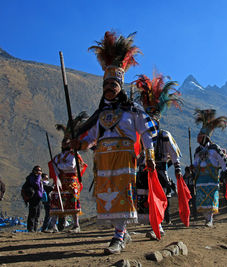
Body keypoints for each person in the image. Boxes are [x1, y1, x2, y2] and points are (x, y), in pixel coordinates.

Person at [72, 31, 157, 254]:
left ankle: (118, 237)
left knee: (121, 195)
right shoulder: (99, 115)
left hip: (124, 160)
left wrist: (150, 157)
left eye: (113, 85)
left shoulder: (133, 111)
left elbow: (148, 132)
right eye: (106, 85)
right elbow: (92, 138)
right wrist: (80, 144)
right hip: (104, 161)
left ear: (120, 86)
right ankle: (122, 231)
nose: (109, 88)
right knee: (107, 199)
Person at [134, 73, 183, 238]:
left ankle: (159, 227)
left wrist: (177, 169)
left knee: (157, 198)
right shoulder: (139, 136)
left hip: (159, 172)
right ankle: (152, 226)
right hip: (142, 172)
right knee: (145, 200)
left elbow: (175, 153)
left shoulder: (164, 135)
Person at [48, 113, 88, 234]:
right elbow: (53, 164)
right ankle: (53, 226)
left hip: (71, 181)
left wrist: (58, 167)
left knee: (73, 203)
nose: (64, 144)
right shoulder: (59, 156)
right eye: (63, 142)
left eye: (66, 142)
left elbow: (71, 166)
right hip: (60, 182)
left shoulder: (74, 155)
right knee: (56, 201)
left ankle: (76, 225)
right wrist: (55, 168)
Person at [192, 109, 227, 227]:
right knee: (202, 199)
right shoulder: (197, 151)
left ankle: (210, 219)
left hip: (212, 176)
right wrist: (192, 169)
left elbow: (223, 160)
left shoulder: (214, 148)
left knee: (211, 197)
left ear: (205, 137)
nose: (198, 139)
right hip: (200, 177)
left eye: (200, 136)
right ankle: (206, 218)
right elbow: (195, 163)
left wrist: (225, 172)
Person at [25, 166, 44, 232]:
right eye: (37, 170)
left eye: (40, 170)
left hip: (39, 198)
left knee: (37, 213)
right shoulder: (32, 177)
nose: (39, 172)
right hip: (33, 197)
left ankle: (35, 228)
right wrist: (39, 176)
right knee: (33, 213)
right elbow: (36, 185)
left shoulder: (39, 178)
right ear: (34, 170)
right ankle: (30, 228)